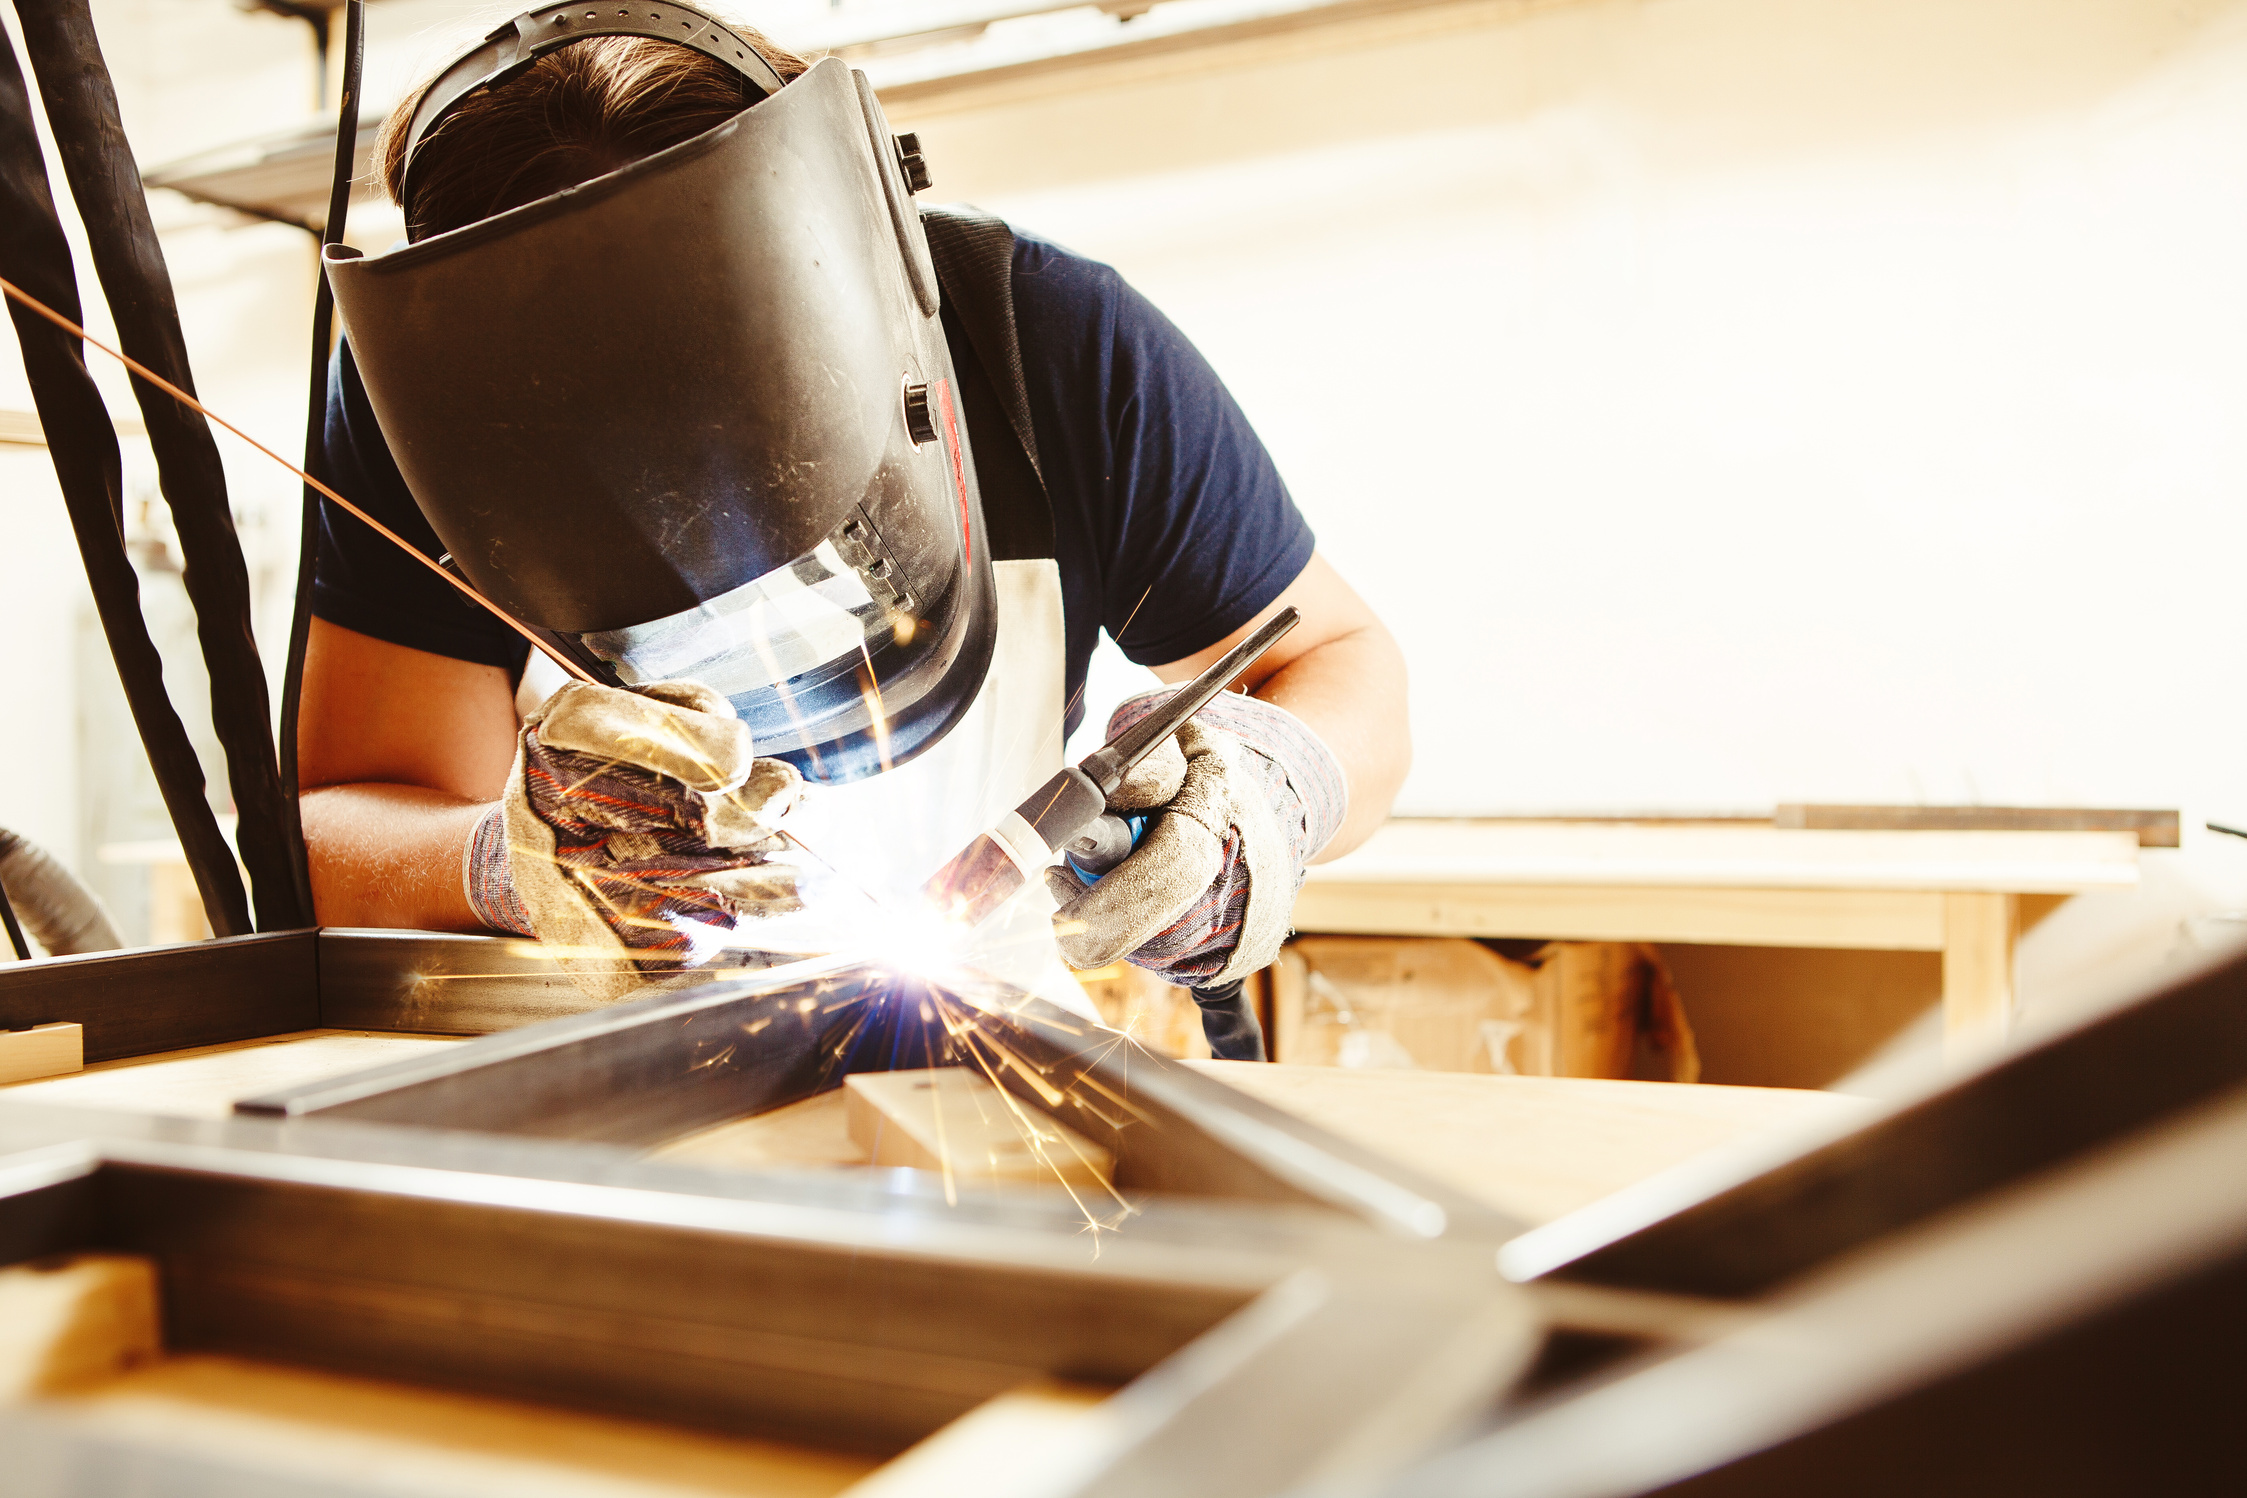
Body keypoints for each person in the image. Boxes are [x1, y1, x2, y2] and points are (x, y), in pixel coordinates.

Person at [297, 3, 1408, 1056]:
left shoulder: (1047, 344)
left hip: (988, 1050)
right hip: (615, 1053)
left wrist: (1262, 797)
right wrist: (501, 863)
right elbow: (345, 829)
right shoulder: (431, 398)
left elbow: (1340, 663)